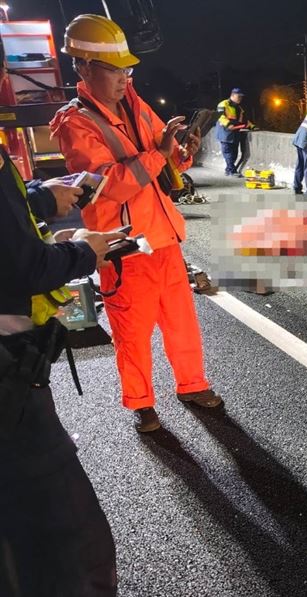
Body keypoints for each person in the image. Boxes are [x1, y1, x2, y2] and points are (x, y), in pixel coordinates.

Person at [51, 14, 223, 433]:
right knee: (132, 334)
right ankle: (142, 404)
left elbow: (160, 161)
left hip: (163, 239)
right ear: (83, 67)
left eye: (127, 69)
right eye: (114, 70)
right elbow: (109, 185)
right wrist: (158, 155)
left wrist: (182, 152)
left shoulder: (136, 105)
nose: (124, 78)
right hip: (124, 249)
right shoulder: (74, 123)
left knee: (182, 325)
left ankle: (193, 385)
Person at [1, 37, 123, 596]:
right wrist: (83, 252)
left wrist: (43, 199)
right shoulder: (80, 119)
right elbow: (21, 265)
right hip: (10, 386)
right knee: (66, 541)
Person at [216, 87, 255, 177]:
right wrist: (228, 124)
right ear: (232, 95)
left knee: (234, 153)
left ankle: (228, 169)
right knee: (228, 152)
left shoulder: (239, 108)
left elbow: (245, 120)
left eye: (241, 97)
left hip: (235, 133)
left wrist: (252, 126)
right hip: (225, 132)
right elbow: (220, 116)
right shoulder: (223, 104)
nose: (240, 99)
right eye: (239, 96)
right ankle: (232, 171)